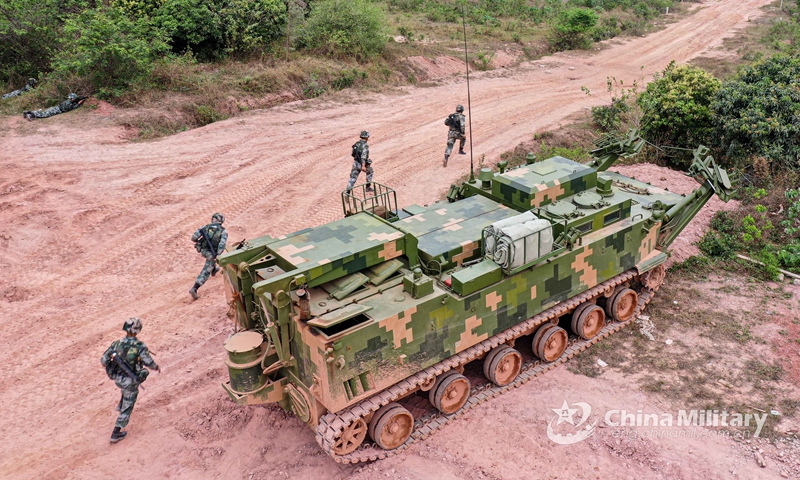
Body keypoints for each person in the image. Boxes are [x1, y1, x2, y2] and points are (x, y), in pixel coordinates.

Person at [100, 317, 160, 444]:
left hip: (117, 378)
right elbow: (148, 362)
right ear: (138, 330)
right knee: (129, 404)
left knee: (126, 390)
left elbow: (104, 361)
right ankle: (116, 433)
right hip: (130, 381)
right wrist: (156, 367)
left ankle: (122, 402)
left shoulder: (116, 344)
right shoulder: (140, 346)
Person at [190, 212, 228, 299]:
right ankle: (195, 288)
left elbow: (193, 238)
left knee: (211, 262)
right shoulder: (223, 231)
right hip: (212, 253)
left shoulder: (205, 227)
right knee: (207, 269)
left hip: (203, 250)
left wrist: (200, 241)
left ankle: (214, 269)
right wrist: (218, 255)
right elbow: (222, 244)